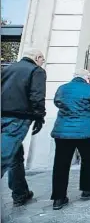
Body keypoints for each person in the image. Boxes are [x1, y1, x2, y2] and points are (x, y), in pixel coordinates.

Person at [50, 69, 90, 210]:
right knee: (87, 161)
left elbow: (57, 102)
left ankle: (58, 198)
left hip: (63, 131)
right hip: (84, 132)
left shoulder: (62, 88)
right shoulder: (89, 89)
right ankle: (87, 189)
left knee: (60, 164)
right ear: (87, 78)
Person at [1, 48, 46, 206]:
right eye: (42, 59)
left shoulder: (7, 69)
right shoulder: (36, 70)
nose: (42, 62)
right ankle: (20, 192)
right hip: (18, 118)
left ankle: (20, 192)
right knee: (4, 157)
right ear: (37, 57)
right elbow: (37, 96)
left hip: (3, 116)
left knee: (15, 156)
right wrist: (39, 116)